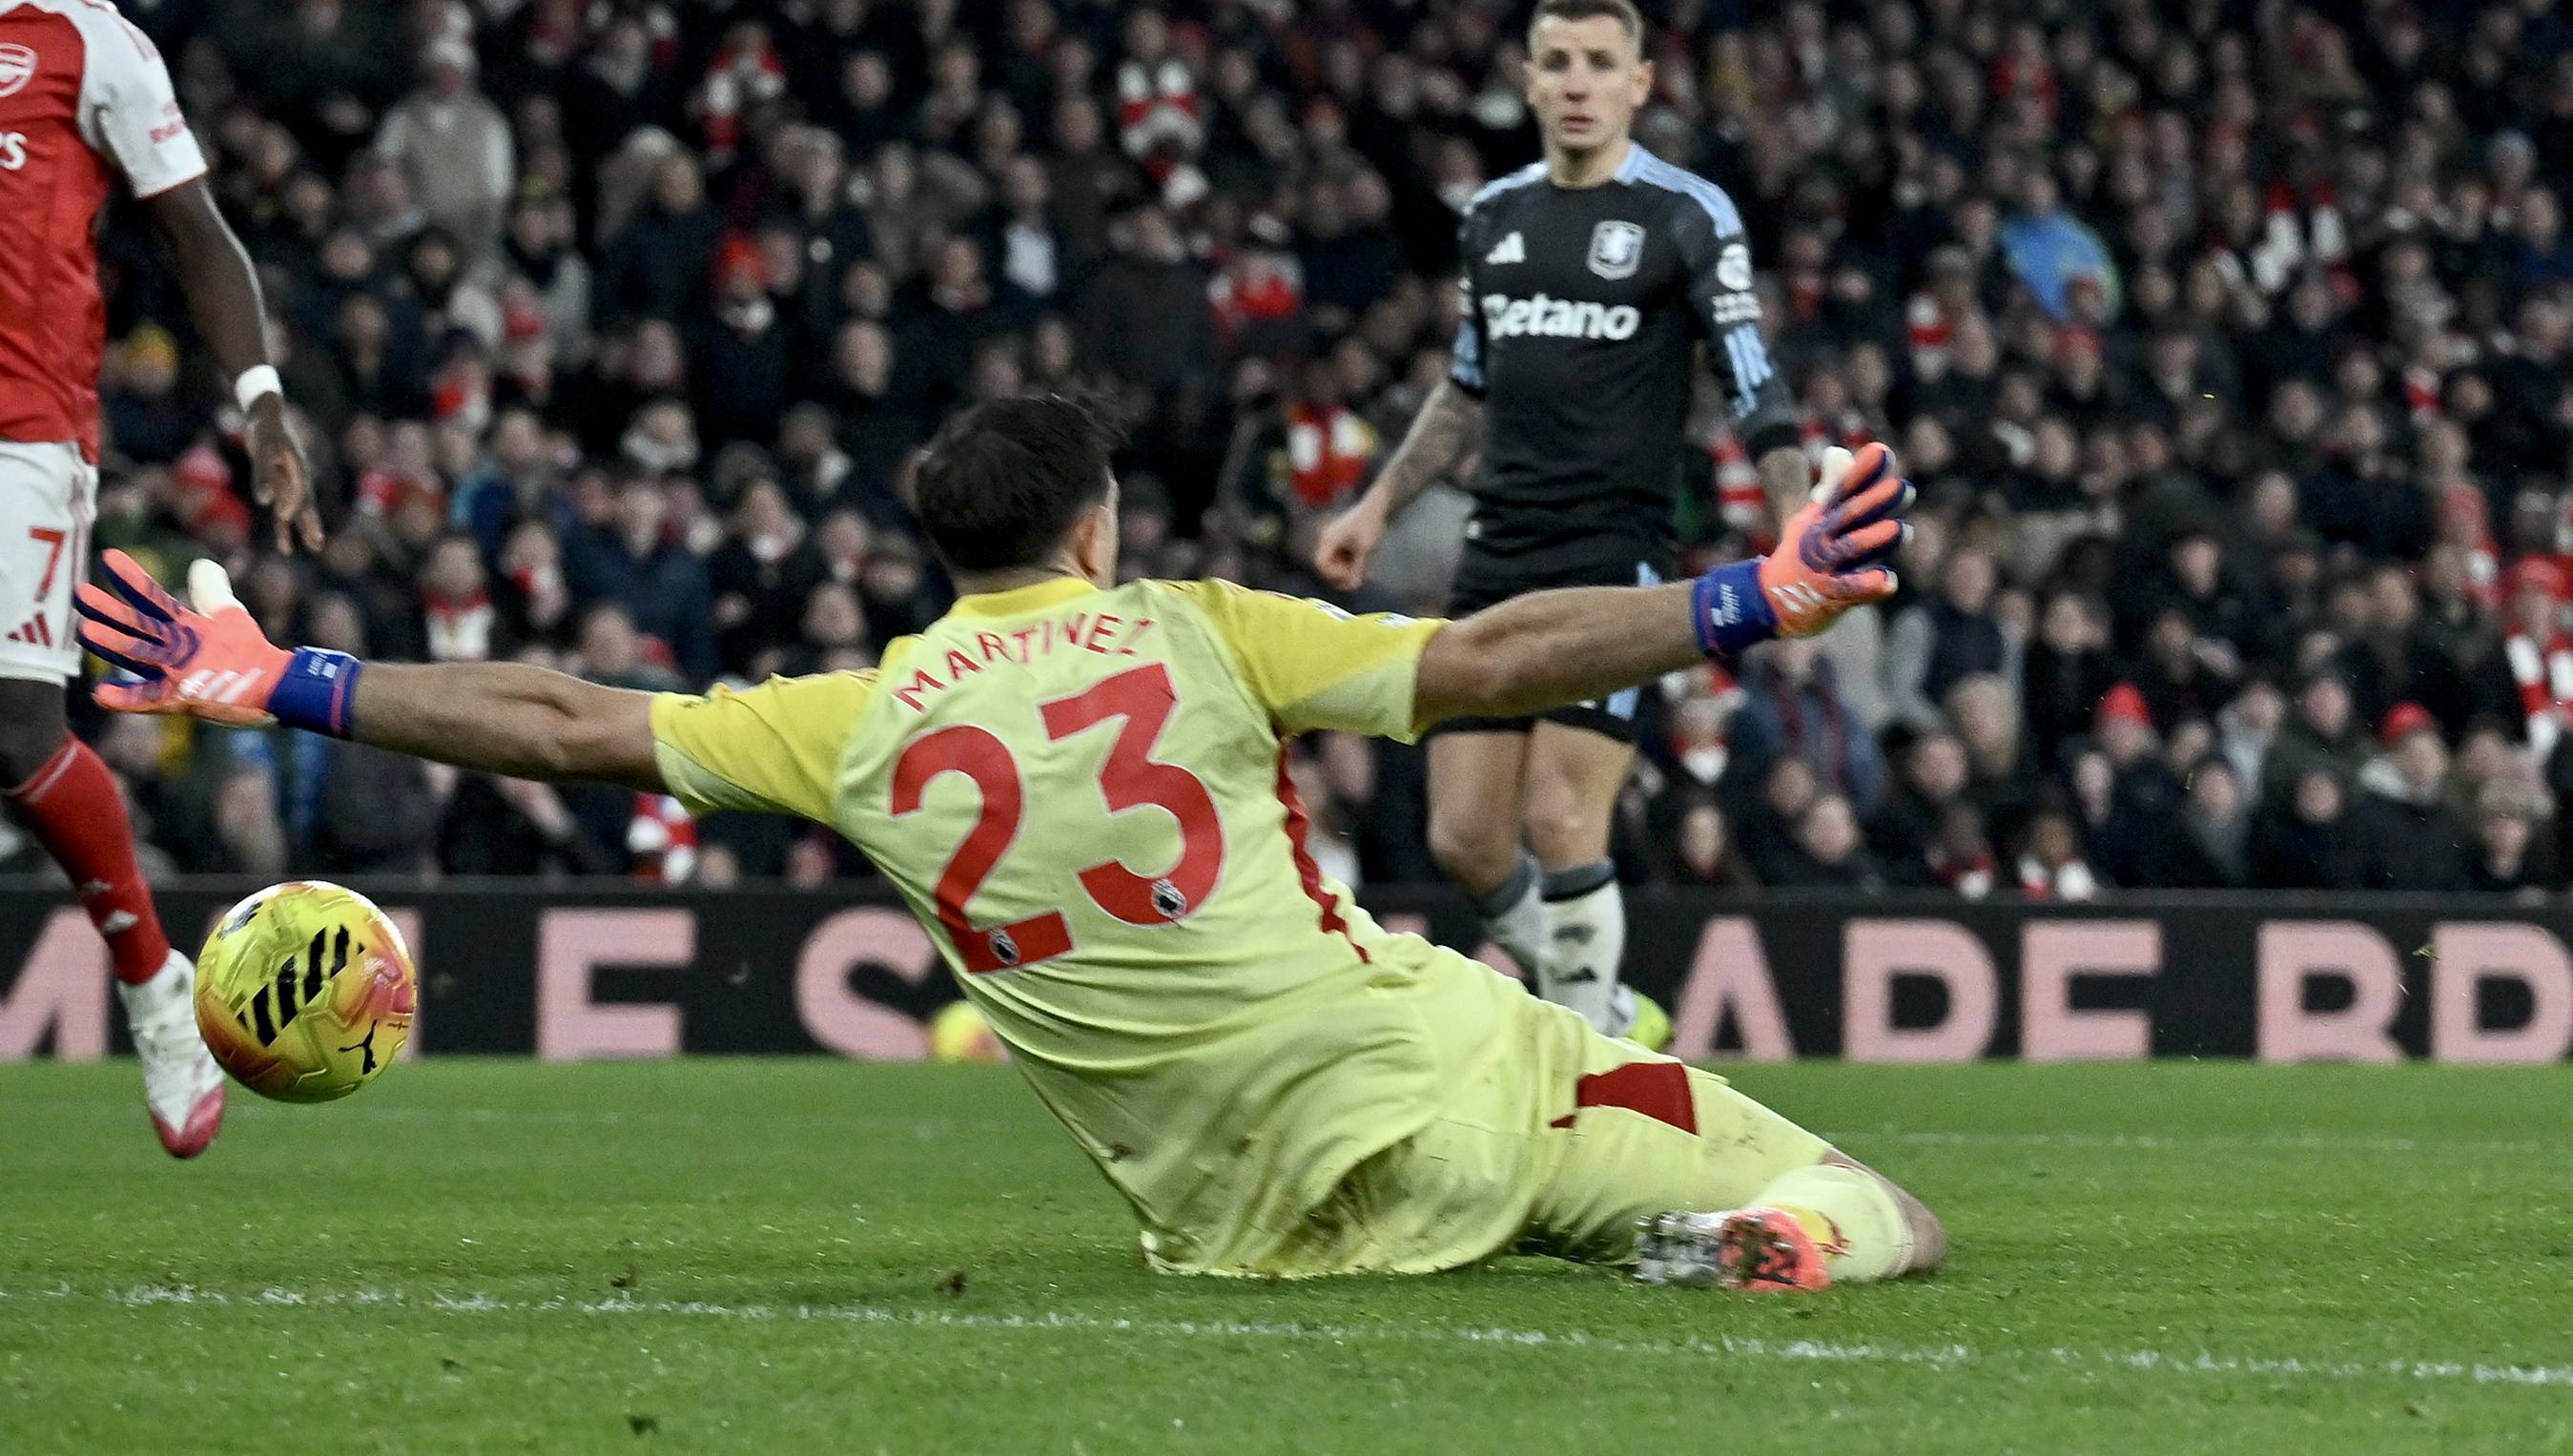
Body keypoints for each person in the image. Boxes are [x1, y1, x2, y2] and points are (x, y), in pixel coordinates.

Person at [83, 396, 1945, 1294]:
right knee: (1887, 1206)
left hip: (1240, 1219)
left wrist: (281, 675)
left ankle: (1710, 1216)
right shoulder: (1198, 627)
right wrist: (1752, 592)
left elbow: (564, 719)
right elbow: (1488, 657)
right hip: (1455, 1081)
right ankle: (1780, 1232)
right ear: (1097, 525)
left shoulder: (859, 717)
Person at [1312, 0, 1811, 1049]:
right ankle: (1609, 1007)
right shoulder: (1493, 217)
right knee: (1464, 840)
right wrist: (1379, 502)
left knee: (1560, 813)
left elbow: (1750, 376)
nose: (1578, 82)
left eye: (1598, 62)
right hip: (1499, 548)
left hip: (1613, 550)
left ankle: (1592, 1068)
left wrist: (1792, 515)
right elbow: (1464, 387)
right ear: (1529, 84)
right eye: (1557, 62)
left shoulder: (1686, 213)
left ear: (1638, 83)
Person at [0, 0, 324, 1157]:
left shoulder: (91, 43)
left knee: (13, 732)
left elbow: (200, 235)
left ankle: (150, 981)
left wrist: (260, 403)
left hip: (22, 432)